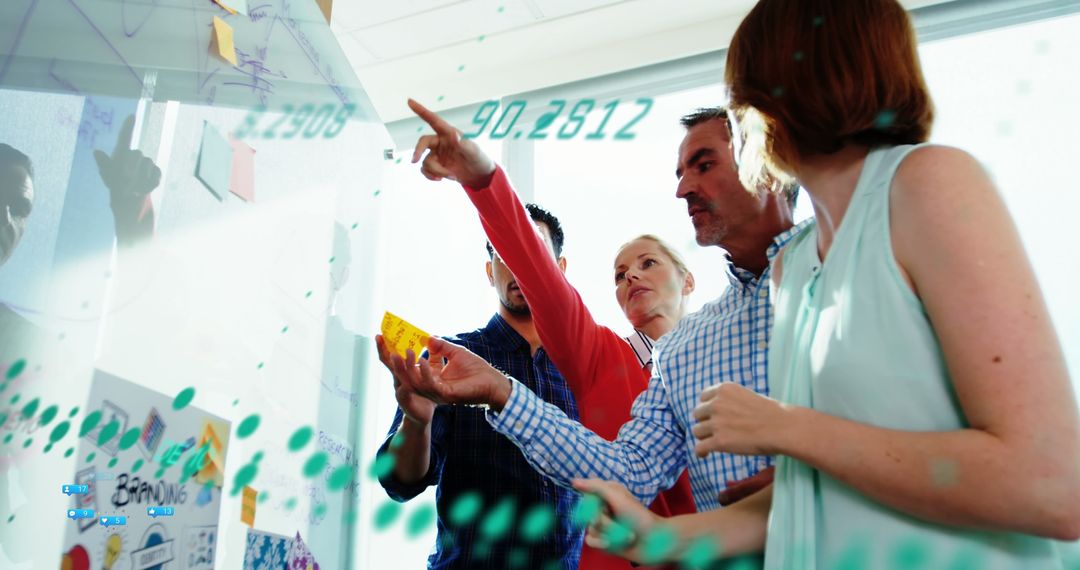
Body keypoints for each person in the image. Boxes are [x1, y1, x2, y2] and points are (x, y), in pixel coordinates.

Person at [574, 0, 1080, 568]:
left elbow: (1050, 483)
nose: (740, 121)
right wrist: (660, 537)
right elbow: (807, 491)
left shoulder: (927, 185)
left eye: (741, 99)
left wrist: (789, 428)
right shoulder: (794, 270)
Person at [388, 101, 803, 567]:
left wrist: (812, 473)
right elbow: (630, 471)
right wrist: (499, 392)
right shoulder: (663, 354)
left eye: (704, 165)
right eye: (620, 272)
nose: (684, 188)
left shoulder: (844, 266)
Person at [406, 99, 698, 570]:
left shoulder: (720, 352)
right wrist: (484, 182)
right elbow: (403, 480)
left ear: (687, 280)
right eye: (620, 273)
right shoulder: (597, 354)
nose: (631, 279)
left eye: (648, 264)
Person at [373, 204, 584, 569]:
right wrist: (417, 421)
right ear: (490, 272)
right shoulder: (448, 357)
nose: (520, 263)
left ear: (560, 269)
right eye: (506, 252)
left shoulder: (581, 370)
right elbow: (400, 482)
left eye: (533, 249)